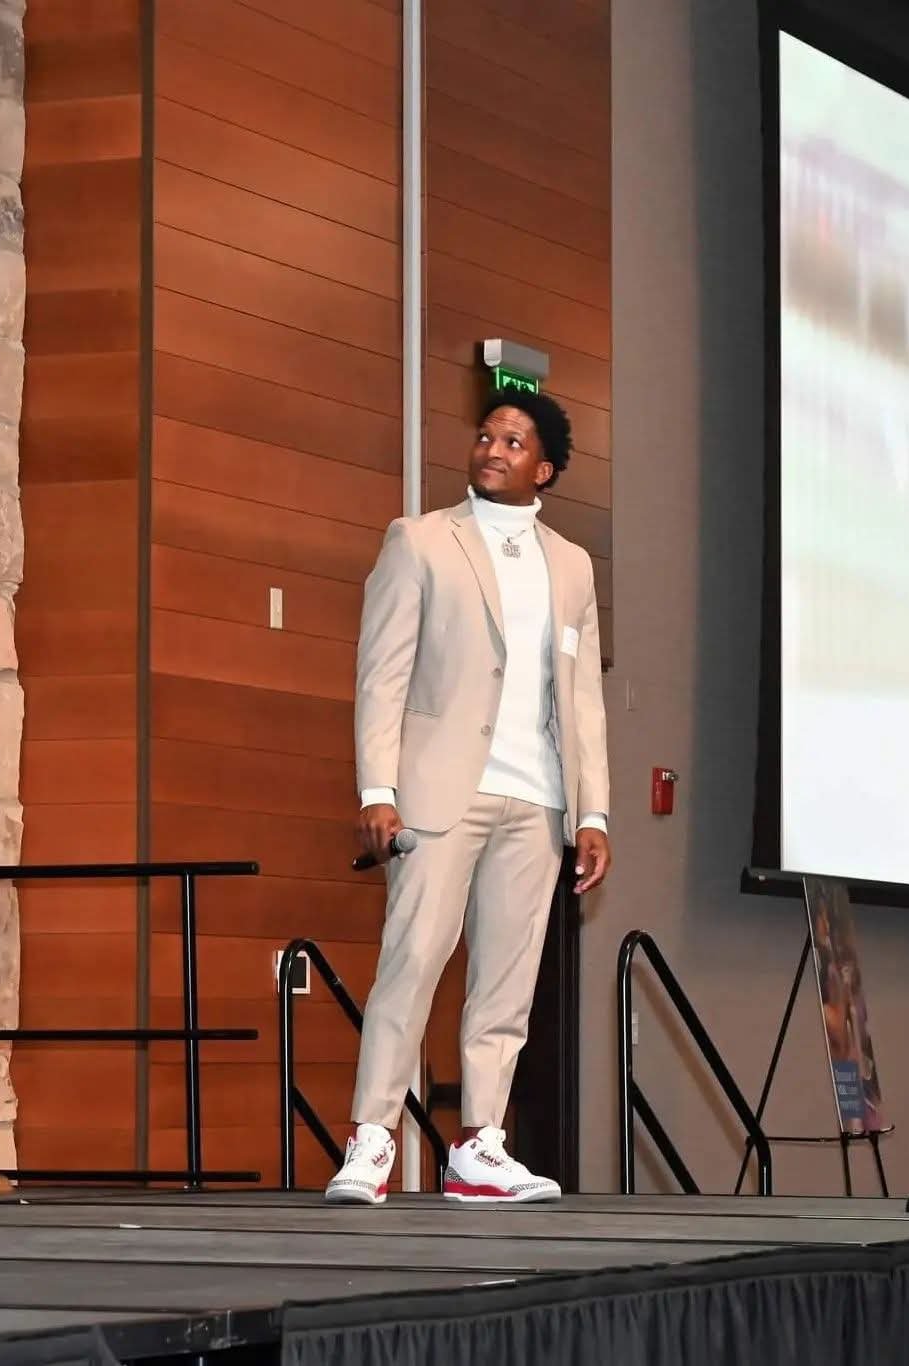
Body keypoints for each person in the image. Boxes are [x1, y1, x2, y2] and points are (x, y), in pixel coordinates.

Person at [325, 387, 611, 1205]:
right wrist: (377, 787)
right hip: (437, 791)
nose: (492, 449)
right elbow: (381, 672)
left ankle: (479, 1144)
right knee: (411, 961)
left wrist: (591, 811)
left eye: (513, 442)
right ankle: (371, 1139)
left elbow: (583, 695)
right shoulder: (419, 541)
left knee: (506, 981)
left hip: (539, 797)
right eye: (486, 436)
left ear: (544, 467)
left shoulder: (572, 565)